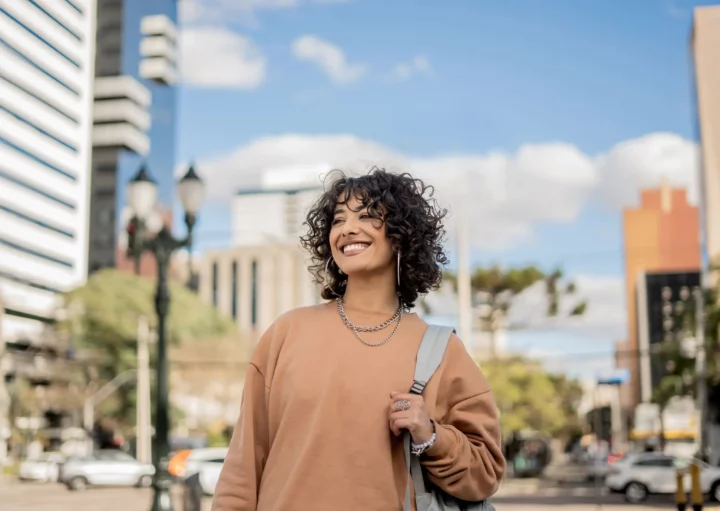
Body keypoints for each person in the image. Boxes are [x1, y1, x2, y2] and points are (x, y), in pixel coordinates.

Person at [212, 168, 505, 511]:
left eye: (367, 216)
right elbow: (243, 465)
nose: (348, 228)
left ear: (401, 235)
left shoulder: (440, 350)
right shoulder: (287, 333)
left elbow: (485, 472)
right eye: (338, 220)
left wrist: (431, 436)